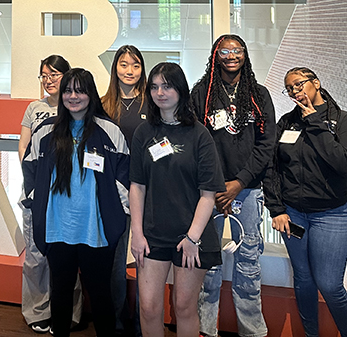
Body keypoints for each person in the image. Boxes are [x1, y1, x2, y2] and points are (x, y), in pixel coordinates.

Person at [22, 68, 130, 337]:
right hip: (58, 229)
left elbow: (124, 178)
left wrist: (118, 215)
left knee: (101, 293)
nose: (73, 96)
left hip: (98, 230)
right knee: (60, 292)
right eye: (68, 90)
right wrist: (35, 206)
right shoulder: (45, 132)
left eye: (80, 90)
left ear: (90, 93)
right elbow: (30, 173)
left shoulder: (110, 132)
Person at [265, 67, 347, 337]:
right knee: (304, 279)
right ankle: (311, 334)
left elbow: (343, 162)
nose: (295, 91)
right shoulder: (286, 123)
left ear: (316, 83)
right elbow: (271, 168)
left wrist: (315, 123)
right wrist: (277, 209)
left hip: (332, 215)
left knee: (330, 285)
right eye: (290, 88)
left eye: (299, 84)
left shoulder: (344, 121)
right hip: (293, 215)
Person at [130, 62, 225, 337]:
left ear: (180, 90)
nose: (161, 92)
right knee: (148, 307)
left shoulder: (199, 134)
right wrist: (137, 234)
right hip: (153, 234)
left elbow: (208, 194)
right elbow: (137, 186)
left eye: (167, 86)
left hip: (191, 236)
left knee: (183, 306)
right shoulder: (143, 133)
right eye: (155, 87)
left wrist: (193, 238)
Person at [191, 34, 273, 337]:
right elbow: (194, 144)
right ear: (216, 55)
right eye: (224, 50)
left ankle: (252, 331)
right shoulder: (200, 94)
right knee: (208, 265)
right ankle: (205, 329)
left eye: (236, 50)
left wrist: (239, 183)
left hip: (248, 191)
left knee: (248, 264)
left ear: (245, 55)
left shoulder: (259, 95)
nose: (231, 55)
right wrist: (216, 187)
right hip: (208, 194)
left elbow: (267, 145)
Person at [18, 55, 83, 334]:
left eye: (55, 74)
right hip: (38, 191)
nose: (48, 80)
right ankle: (37, 310)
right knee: (35, 255)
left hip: (69, 194)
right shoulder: (34, 108)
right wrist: (32, 184)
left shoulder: (76, 107)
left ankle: (69, 313)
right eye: (44, 75)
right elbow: (23, 148)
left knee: (71, 253)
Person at [100, 44, 148, 335]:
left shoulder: (151, 103)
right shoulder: (104, 104)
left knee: (146, 261)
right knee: (115, 263)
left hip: (147, 192)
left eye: (135, 65)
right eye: (124, 65)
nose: (129, 71)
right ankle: (115, 323)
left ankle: (145, 323)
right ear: (115, 68)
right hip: (113, 193)